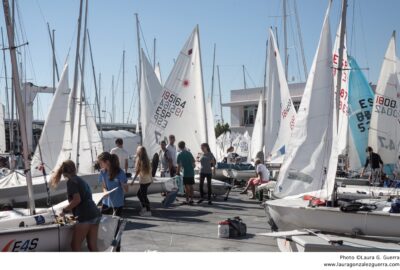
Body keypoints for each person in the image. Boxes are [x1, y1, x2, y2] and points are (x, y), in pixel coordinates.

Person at [51, 160, 101, 251]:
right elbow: (81, 201)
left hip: (85, 216)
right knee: (92, 246)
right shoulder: (80, 180)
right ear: (74, 169)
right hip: (95, 214)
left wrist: (64, 211)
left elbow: (77, 200)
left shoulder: (71, 182)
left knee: (75, 245)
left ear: (63, 172)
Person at [97, 152, 128, 216]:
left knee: (115, 224)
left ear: (107, 162)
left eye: (101, 163)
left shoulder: (120, 172)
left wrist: (124, 185)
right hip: (106, 202)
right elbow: (104, 187)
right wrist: (105, 192)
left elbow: (126, 190)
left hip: (117, 203)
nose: (100, 165)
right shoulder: (102, 172)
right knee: (102, 222)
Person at [133, 146, 153, 216]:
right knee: (140, 194)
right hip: (148, 180)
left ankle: (148, 210)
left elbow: (138, 171)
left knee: (143, 195)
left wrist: (133, 180)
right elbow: (150, 171)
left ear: (139, 152)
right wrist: (152, 179)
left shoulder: (140, 159)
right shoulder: (146, 159)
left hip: (144, 181)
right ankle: (145, 208)